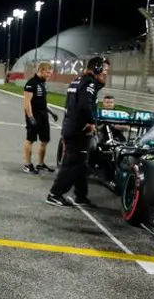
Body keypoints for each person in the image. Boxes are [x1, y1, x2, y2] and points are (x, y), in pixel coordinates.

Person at [45, 56, 108, 208]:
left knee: (81, 163)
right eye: (104, 70)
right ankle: (55, 194)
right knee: (72, 163)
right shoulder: (89, 82)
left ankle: (81, 195)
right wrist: (92, 122)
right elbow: (85, 106)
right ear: (97, 68)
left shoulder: (77, 80)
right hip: (79, 129)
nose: (105, 73)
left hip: (71, 126)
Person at [22, 62, 58, 174]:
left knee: (45, 140)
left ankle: (41, 164)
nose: (49, 75)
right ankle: (28, 165)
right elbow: (27, 103)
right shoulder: (31, 83)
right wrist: (31, 118)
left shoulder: (43, 84)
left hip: (43, 115)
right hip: (34, 114)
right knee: (30, 139)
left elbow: (43, 102)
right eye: (47, 72)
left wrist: (52, 112)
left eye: (50, 73)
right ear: (41, 70)